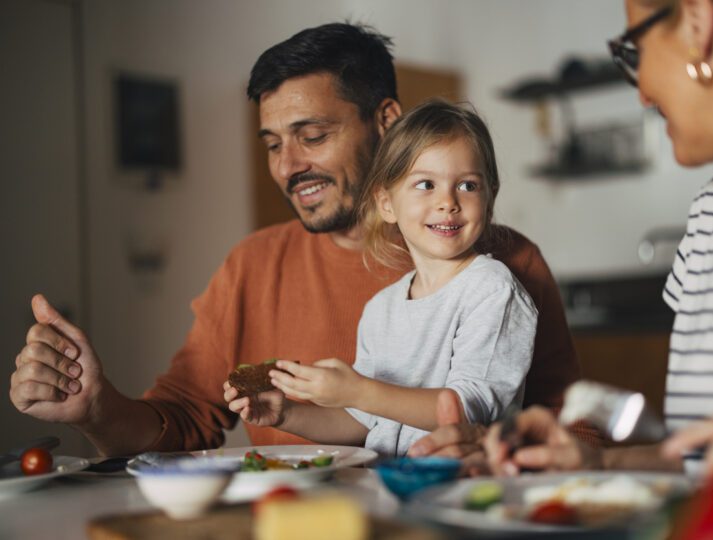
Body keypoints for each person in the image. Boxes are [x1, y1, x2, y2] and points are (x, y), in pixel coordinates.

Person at [9, 22, 581, 456]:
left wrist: (499, 448)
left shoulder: (504, 263)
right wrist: (96, 407)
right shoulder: (252, 267)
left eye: (312, 135)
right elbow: (181, 421)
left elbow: (572, 429)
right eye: (273, 144)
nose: (288, 167)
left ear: (385, 121)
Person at [484, 0, 713, 478]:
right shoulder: (712, 214)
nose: (644, 97)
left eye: (636, 50)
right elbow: (700, 460)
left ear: (698, 21)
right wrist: (597, 461)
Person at [224, 99, 537, 457]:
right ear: (386, 203)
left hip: (463, 489)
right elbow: (363, 421)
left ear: (490, 196)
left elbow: (470, 409)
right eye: (425, 185)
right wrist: (288, 414)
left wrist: (359, 390)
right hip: (388, 488)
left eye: (467, 186)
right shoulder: (381, 308)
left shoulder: (491, 288)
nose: (447, 201)